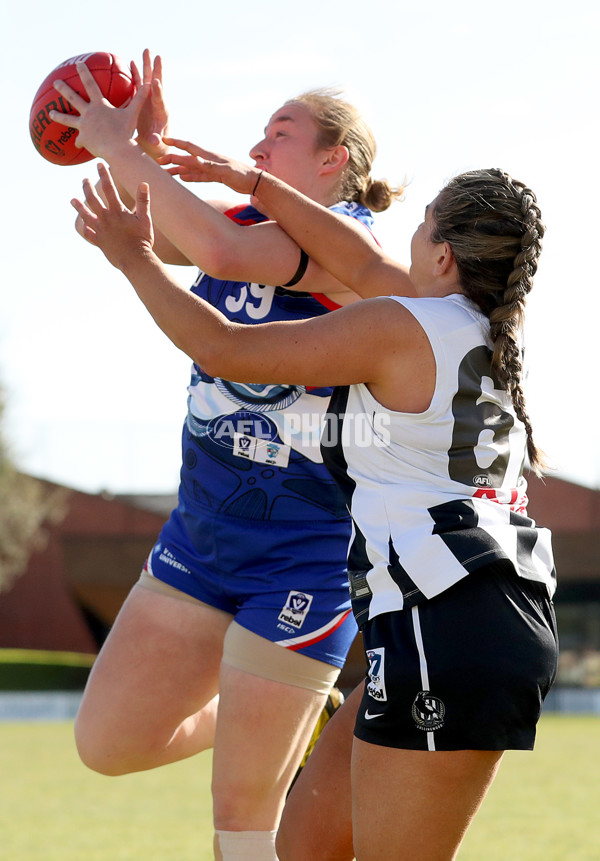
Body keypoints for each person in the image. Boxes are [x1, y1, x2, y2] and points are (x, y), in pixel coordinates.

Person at [67, 144, 558, 860]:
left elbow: (225, 347)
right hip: (458, 618)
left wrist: (134, 258)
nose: (404, 240)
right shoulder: (480, 335)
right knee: (303, 846)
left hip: (450, 625)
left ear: (444, 257)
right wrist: (252, 183)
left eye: (421, 227)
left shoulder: (403, 326)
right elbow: (356, 263)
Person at [50, 55, 412, 861]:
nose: (259, 144)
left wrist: (118, 146)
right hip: (200, 539)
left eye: (279, 133)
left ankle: (279, 699)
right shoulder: (249, 226)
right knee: (106, 742)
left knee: (240, 818)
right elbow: (179, 228)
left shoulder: (357, 247)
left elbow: (211, 247)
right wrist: (143, 144)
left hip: (297, 559)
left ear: (334, 161)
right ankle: (287, 705)